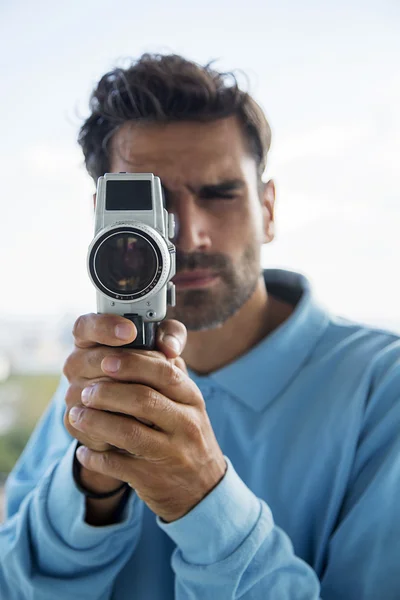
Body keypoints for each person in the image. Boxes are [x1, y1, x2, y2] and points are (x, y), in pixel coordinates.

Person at [1, 53, 400, 600]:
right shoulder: (95, 380)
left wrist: (202, 498)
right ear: (103, 219)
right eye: (153, 204)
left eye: (220, 194)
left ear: (269, 207)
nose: (188, 236)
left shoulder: (384, 388)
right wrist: (91, 490)